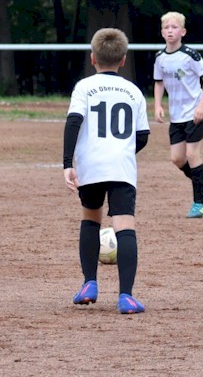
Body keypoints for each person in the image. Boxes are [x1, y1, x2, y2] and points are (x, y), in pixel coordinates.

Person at [63, 28, 150, 314]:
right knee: (125, 226)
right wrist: (121, 150)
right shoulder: (134, 91)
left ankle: (89, 283)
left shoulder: (84, 87)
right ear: (123, 59)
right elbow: (142, 136)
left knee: (91, 218)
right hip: (122, 167)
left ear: (93, 58)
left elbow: (73, 123)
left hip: (91, 166)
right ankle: (126, 296)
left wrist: (68, 163)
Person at [153, 11, 203, 218]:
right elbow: (159, 82)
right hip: (177, 116)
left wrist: (202, 105)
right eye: (166, 27)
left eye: (174, 27)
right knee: (177, 158)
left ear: (183, 31)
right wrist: (157, 105)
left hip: (194, 113)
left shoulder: (191, 55)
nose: (170, 31)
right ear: (162, 32)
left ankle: (200, 203)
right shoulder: (160, 57)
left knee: (191, 155)